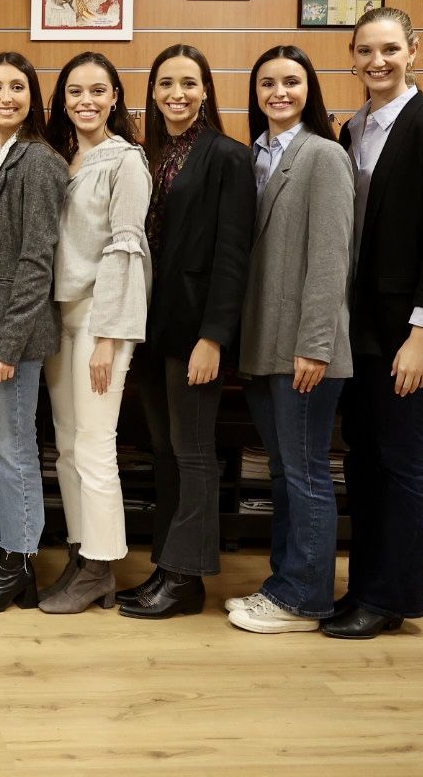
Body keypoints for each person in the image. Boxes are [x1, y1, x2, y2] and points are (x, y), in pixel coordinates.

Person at [331, 7, 423, 639]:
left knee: (403, 462)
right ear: (352, 57)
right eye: (365, 51)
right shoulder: (350, 130)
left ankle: (393, 598)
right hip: (359, 330)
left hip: (406, 333)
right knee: (363, 460)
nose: (377, 61)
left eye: (389, 49)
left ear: (414, 51)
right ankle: (363, 587)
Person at [118, 45, 253, 620]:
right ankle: (168, 568)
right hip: (149, 326)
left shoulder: (227, 156)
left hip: (195, 330)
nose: (177, 93)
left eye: (189, 83)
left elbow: (233, 254)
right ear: (152, 92)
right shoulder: (147, 154)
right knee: (166, 452)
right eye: (166, 83)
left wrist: (215, 337)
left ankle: (188, 578)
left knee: (195, 452)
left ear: (205, 91)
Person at [227, 45, 354, 634]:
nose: (279, 92)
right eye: (268, 83)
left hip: (304, 348)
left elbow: (332, 259)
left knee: (304, 473)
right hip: (261, 342)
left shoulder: (324, 155)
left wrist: (316, 345)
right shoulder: (253, 156)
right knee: (281, 470)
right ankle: (285, 584)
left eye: (292, 81)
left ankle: (306, 599)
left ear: (310, 88)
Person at [38, 52, 151, 614]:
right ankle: (82, 554)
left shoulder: (125, 160)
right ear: (63, 100)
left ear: (114, 98)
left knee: (95, 444)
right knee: (64, 445)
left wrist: (109, 336)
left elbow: (125, 247)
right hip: (59, 318)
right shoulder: (63, 159)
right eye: (75, 91)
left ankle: (103, 567)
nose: (86, 100)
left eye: (97, 91)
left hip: (100, 321)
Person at [0, 52, 68, 614]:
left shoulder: (40, 161)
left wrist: (6, 343)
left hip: (15, 338)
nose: (6, 97)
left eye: (17, 87)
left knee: (14, 446)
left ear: (33, 97)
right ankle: (8, 554)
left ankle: (20, 562)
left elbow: (36, 261)